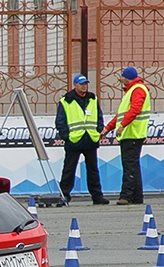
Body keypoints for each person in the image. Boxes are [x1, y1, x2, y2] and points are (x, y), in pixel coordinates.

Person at [54, 73, 110, 205]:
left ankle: (97, 196)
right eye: (81, 84)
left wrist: (99, 129)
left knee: (93, 169)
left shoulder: (92, 98)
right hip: (74, 140)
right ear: (75, 85)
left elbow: (98, 116)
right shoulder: (66, 100)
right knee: (69, 169)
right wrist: (66, 136)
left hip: (90, 138)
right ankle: (65, 196)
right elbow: (60, 121)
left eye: (85, 84)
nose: (84, 86)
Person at [103, 65, 152, 205]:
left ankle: (126, 196)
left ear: (127, 78)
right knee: (133, 165)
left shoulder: (137, 90)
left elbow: (134, 110)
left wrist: (122, 126)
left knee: (129, 165)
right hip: (131, 133)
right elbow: (121, 115)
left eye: (122, 77)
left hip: (133, 133)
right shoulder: (132, 90)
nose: (120, 79)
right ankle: (137, 197)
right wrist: (107, 128)